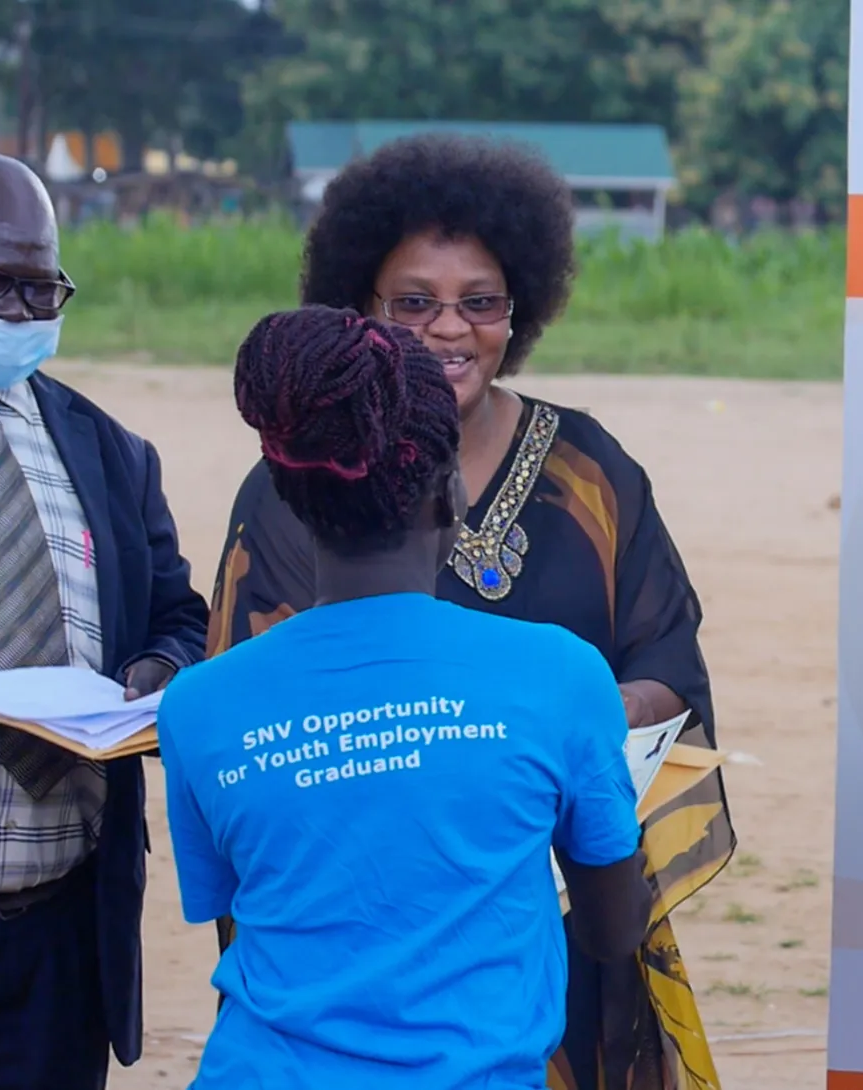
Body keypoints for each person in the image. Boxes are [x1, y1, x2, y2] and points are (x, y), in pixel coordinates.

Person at [207, 134, 733, 1088]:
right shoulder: (291, 489)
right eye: (414, 302)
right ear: (360, 308)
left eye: (479, 302)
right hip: (353, 924)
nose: (449, 331)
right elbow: (258, 692)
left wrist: (571, 728)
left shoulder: (589, 472)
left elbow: (673, 666)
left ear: (517, 307)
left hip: (562, 911)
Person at [159, 305, 652, 1087]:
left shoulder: (197, 705)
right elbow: (613, 927)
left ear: (290, 498)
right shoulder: (561, 675)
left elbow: (244, 901)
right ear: (450, 493)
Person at [0, 154, 209, 1088]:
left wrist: (157, 672)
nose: (19, 316)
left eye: (44, 291)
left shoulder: (104, 450)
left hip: (62, 940)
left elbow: (178, 617)